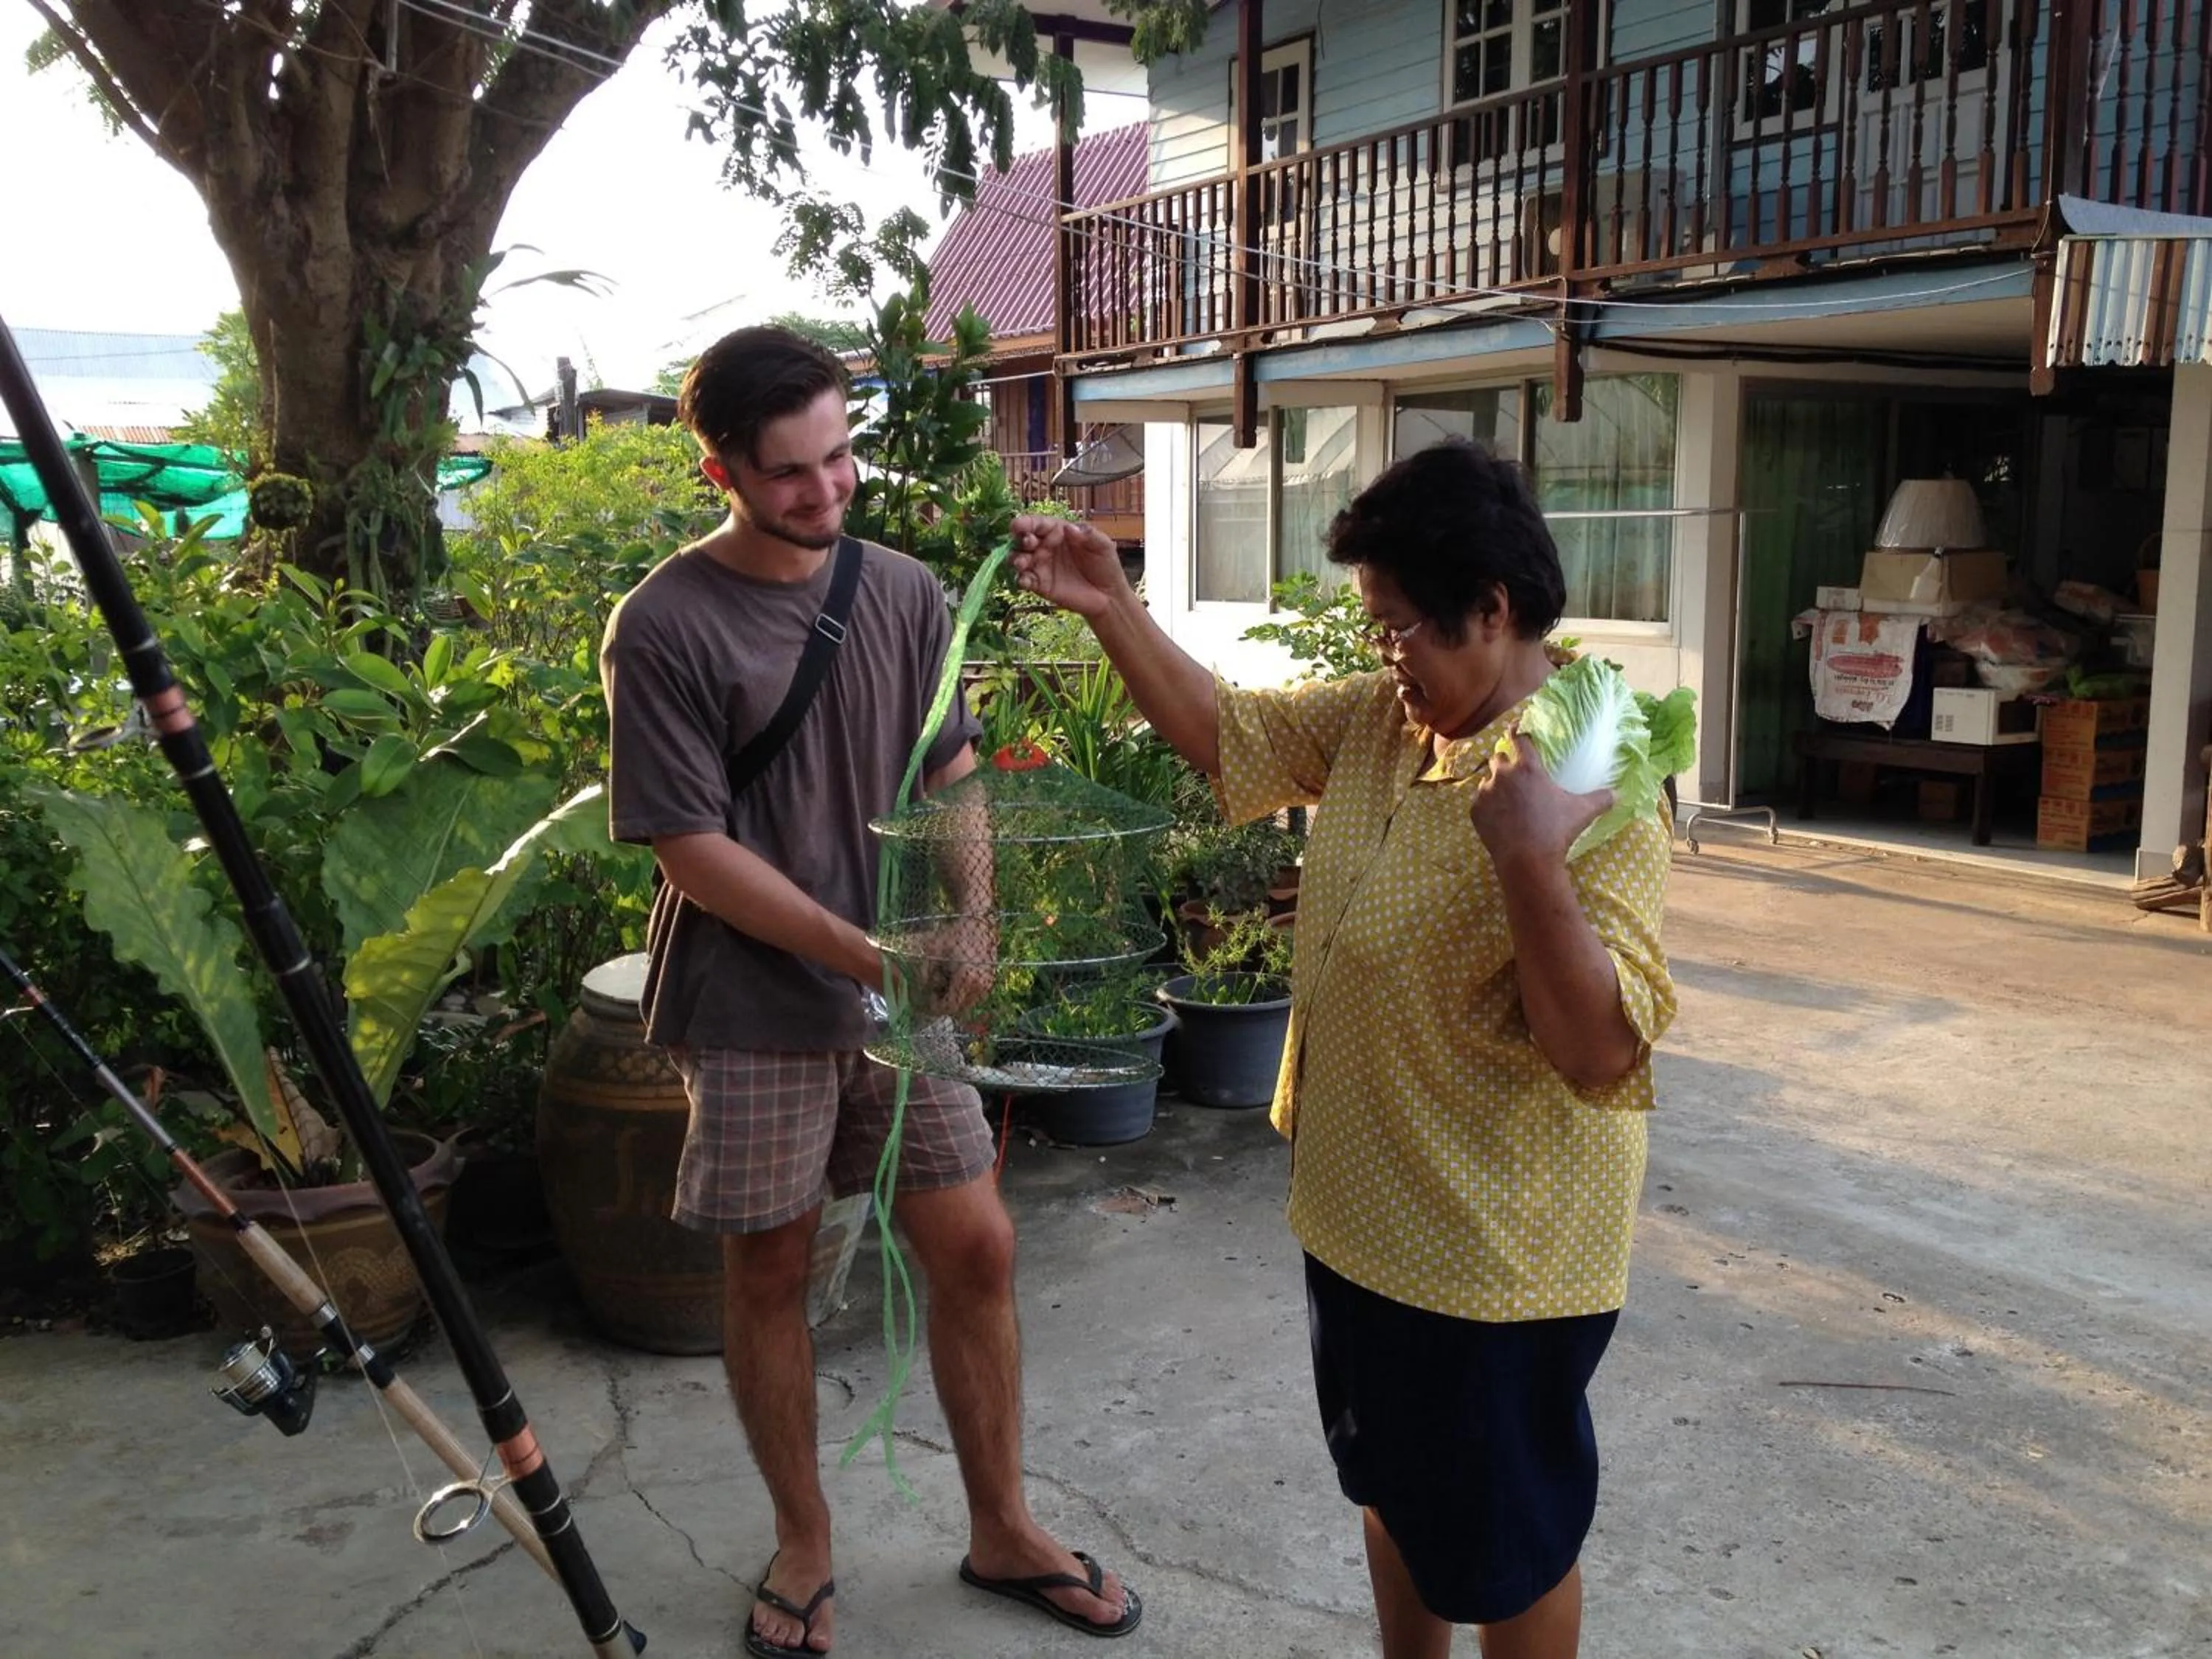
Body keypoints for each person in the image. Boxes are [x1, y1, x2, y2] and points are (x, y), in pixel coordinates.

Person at [1009, 437, 1675, 1659]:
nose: (1387, 654)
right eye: (1374, 627)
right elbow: (1233, 736)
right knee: (1392, 1488)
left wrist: (1529, 856)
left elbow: (1596, 1051)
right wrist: (1113, 604)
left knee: (1508, 1542)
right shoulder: (1389, 713)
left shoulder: (1593, 758)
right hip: (1360, 1214)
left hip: (1492, 1254)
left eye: (1406, 626)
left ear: (1497, 606)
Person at [599, 325, 1139, 1658]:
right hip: (756, 1003)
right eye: (791, 473)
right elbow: (690, 847)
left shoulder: (897, 592)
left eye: (842, 455)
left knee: (979, 1246)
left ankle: (1003, 1523)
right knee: (772, 1266)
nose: (828, 491)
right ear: (716, 464)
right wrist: (864, 955)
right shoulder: (664, 624)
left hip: (901, 1002)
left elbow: (951, 767)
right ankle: (805, 1538)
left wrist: (974, 916)